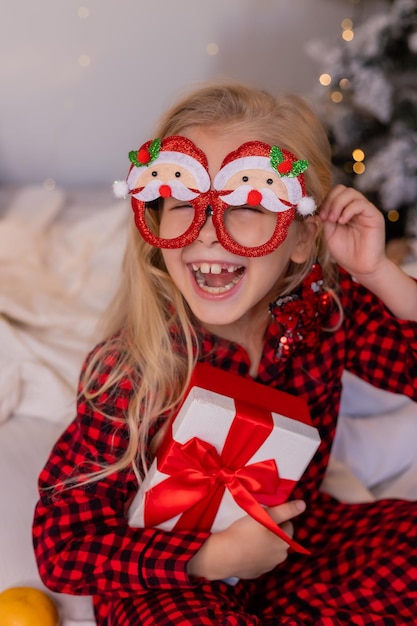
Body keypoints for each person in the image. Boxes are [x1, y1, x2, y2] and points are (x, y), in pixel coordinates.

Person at [32, 82, 417, 626]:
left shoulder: (321, 311)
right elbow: (63, 545)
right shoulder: (134, 368)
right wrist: (210, 559)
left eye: (247, 205)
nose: (210, 234)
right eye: (185, 202)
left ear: (302, 237)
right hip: (169, 577)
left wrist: (381, 274)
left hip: (290, 544)